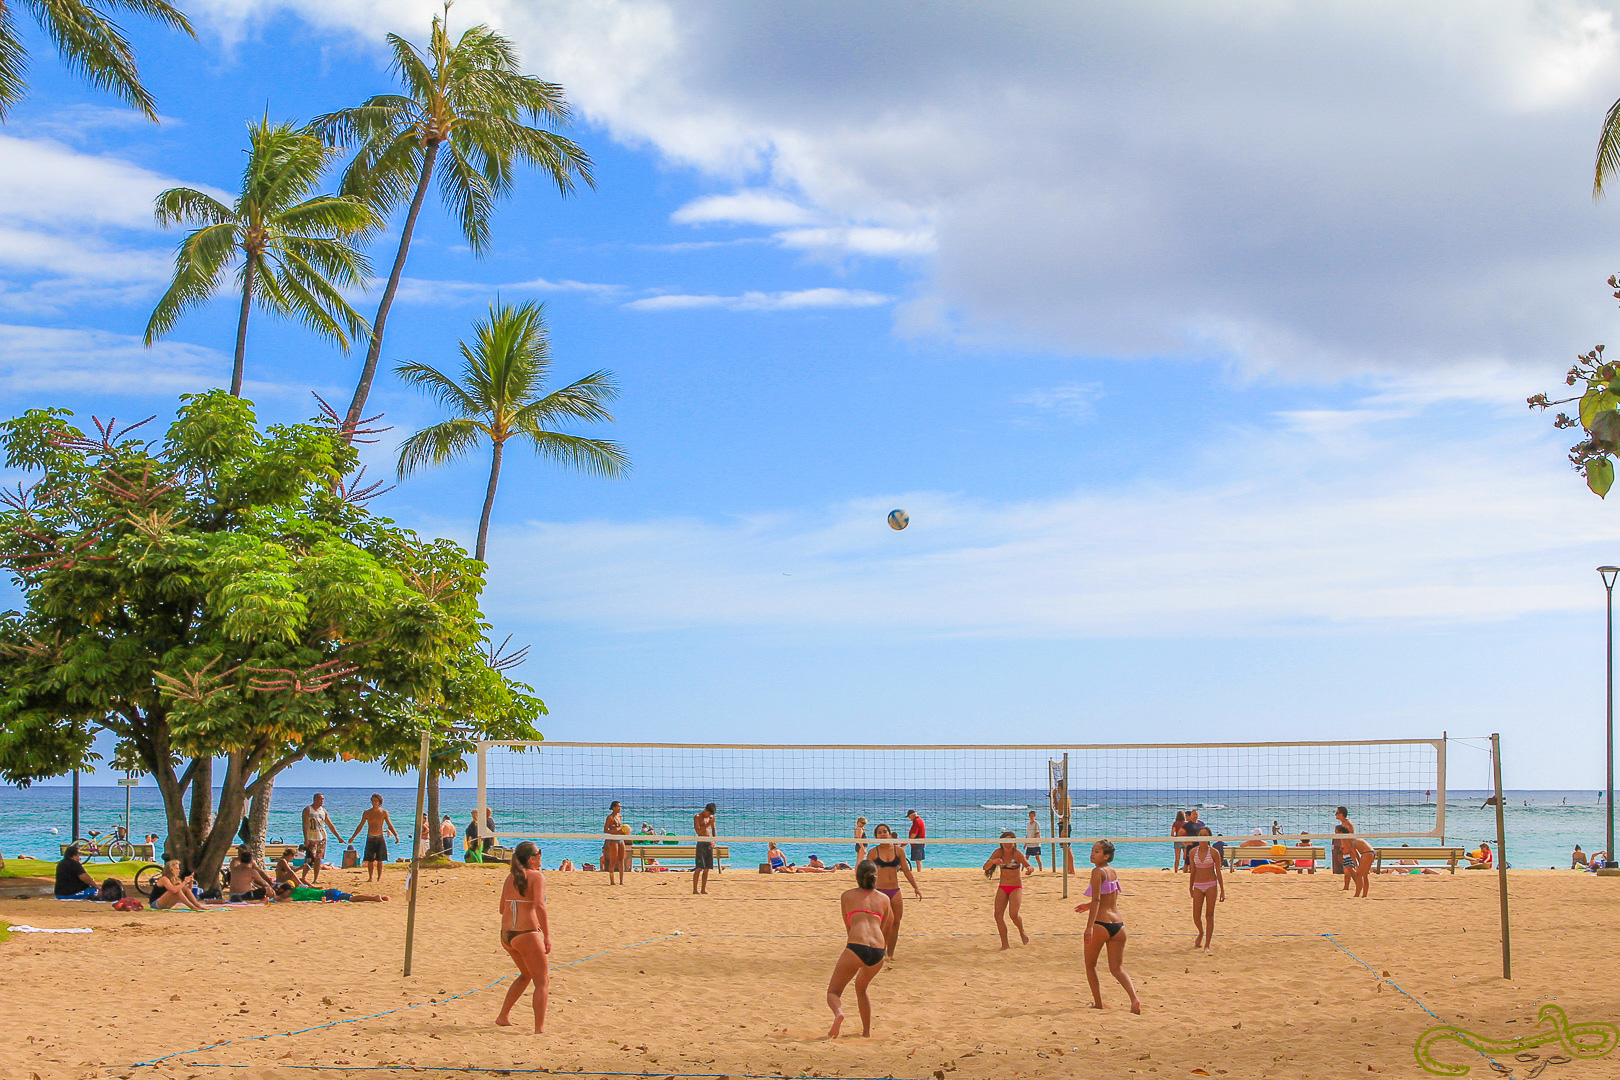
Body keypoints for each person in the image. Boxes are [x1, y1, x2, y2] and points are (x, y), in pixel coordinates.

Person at [827, 859, 891, 1039]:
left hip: (856, 946)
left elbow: (848, 926)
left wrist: (853, 948)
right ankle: (866, 1033)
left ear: (856, 877)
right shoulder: (884, 899)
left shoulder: (847, 895)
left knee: (833, 992)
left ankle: (839, 1013)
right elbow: (886, 925)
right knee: (862, 989)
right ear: (875, 877)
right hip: (878, 951)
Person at [1075, 840, 1140, 1013]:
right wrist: (1088, 905)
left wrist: (1089, 928)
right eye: (1092, 850)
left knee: (1090, 965)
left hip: (1101, 924)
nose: (1092, 854)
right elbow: (1109, 899)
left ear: (1106, 856)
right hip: (1119, 925)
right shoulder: (1112, 871)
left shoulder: (1097, 872)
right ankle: (1134, 999)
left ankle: (1098, 1003)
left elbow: (1097, 900)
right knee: (1117, 969)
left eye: (1096, 851)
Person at [495, 841, 550, 1033]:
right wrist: (547, 936)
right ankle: (539, 1029)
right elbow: (540, 906)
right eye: (539, 854)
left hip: (506, 935)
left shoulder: (510, 878)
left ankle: (503, 1016)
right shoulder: (537, 877)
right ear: (532, 858)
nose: (541, 857)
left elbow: (502, 909)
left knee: (526, 975)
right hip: (526, 934)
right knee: (542, 981)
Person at [870, 824, 922, 960]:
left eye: (885, 831)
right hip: (880, 891)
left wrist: (916, 887)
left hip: (895, 890)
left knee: (896, 923)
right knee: (886, 922)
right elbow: (867, 873)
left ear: (889, 834)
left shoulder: (898, 851)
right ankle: (881, 951)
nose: (883, 834)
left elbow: (906, 871)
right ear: (876, 836)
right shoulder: (873, 852)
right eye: (880, 832)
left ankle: (890, 954)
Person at [983, 831, 1032, 949]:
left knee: (1013, 915)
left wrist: (1030, 869)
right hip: (1003, 887)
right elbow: (985, 867)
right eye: (1005, 842)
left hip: (1016, 887)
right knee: (998, 915)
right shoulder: (998, 852)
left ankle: (1021, 931)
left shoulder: (1017, 854)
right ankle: (1005, 944)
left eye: (1010, 841)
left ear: (1014, 843)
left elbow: (1028, 865)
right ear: (1002, 843)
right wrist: (993, 861)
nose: (1008, 844)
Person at [347, 793, 400, 883]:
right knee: (370, 860)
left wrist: (396, 835)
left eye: (376, 801)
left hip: (380, 838)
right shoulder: (367, 813)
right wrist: (353, 836)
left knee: (380, 860)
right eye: (373, 801)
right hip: (370, 838)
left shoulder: (383, 812)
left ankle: (379, 877)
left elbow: (389, 824)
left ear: (380, 802)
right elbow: (361, 825)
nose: (374, 803)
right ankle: (370, 877)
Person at [1188, 827, 1225, 952]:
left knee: (1209, 915)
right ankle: (1200, 932)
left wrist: (1222, 890)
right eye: (1201, 835)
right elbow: (1192, 871)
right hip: (1198, 885)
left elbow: (1218, 872)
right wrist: (1190, 887)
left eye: (1205, 835)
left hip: (1211, 885)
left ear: (1209, 837)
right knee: (1196, 916)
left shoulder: (1214, 852)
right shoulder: (1193, 852)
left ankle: (1207, 945)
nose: (1203, 837)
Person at [301, 793, 341, 884]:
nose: (322, 801)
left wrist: (338, 837)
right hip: (311, 838)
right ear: (315, 799)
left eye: (323, 799)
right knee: (309, 859)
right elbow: (305, 825)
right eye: (320, 799)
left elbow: (330, 824)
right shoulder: (308, 810)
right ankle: (303, 877)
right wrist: (306, 838)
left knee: (318, 859)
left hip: (322, 838)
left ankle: (315, 879)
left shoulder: (323, 811)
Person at [693, 802, 717, 895]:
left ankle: (703, 889)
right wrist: (708, 824)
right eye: (709, 813)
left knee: (707, 869)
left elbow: (714, 829)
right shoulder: (698, 816)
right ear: (706, 810)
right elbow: (698, 831)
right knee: (699, 868)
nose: (710, 815)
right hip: (701, 843)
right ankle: (695, 890)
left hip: (709, 844)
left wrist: (714, 840)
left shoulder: (710, 818)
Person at [603, 801, 626, 886]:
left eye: (620, 806)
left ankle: (621, 881)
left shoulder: (620, 816)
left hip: (620, 839)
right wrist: (616, 832)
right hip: (613, 840)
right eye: (618, 806)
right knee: (613, 860)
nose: (620, 808)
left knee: (621, 860)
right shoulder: (610, 817)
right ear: (613, 807)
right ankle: (612, 881)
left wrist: (623, 832)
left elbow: (620, 828)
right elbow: (605, 830)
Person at [1332, 806, 1354, 876]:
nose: (1335, 814)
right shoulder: (1343, 824)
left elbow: (1350, 838)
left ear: (1341, 814)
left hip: (1346, 849)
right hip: (1343, 848)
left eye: (1337, 813)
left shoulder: (1347, 824)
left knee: (1347, 868)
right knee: (1345, 868)